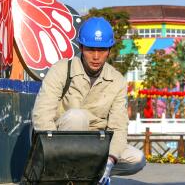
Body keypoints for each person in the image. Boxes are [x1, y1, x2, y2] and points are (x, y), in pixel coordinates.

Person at [32, 17, 146, 184]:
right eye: (90, 49)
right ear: (81, 47)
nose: (96, 56)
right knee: (77, 117)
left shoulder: (117, 81)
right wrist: (52, 153)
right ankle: (62, 175)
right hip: (57, 142)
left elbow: (118, 127)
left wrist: (109, 163)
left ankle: (88, 175)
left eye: (102, 50)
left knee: (137, 159)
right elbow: (41, 115)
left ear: (109, 50)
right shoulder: (61, 69)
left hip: (95, 146)